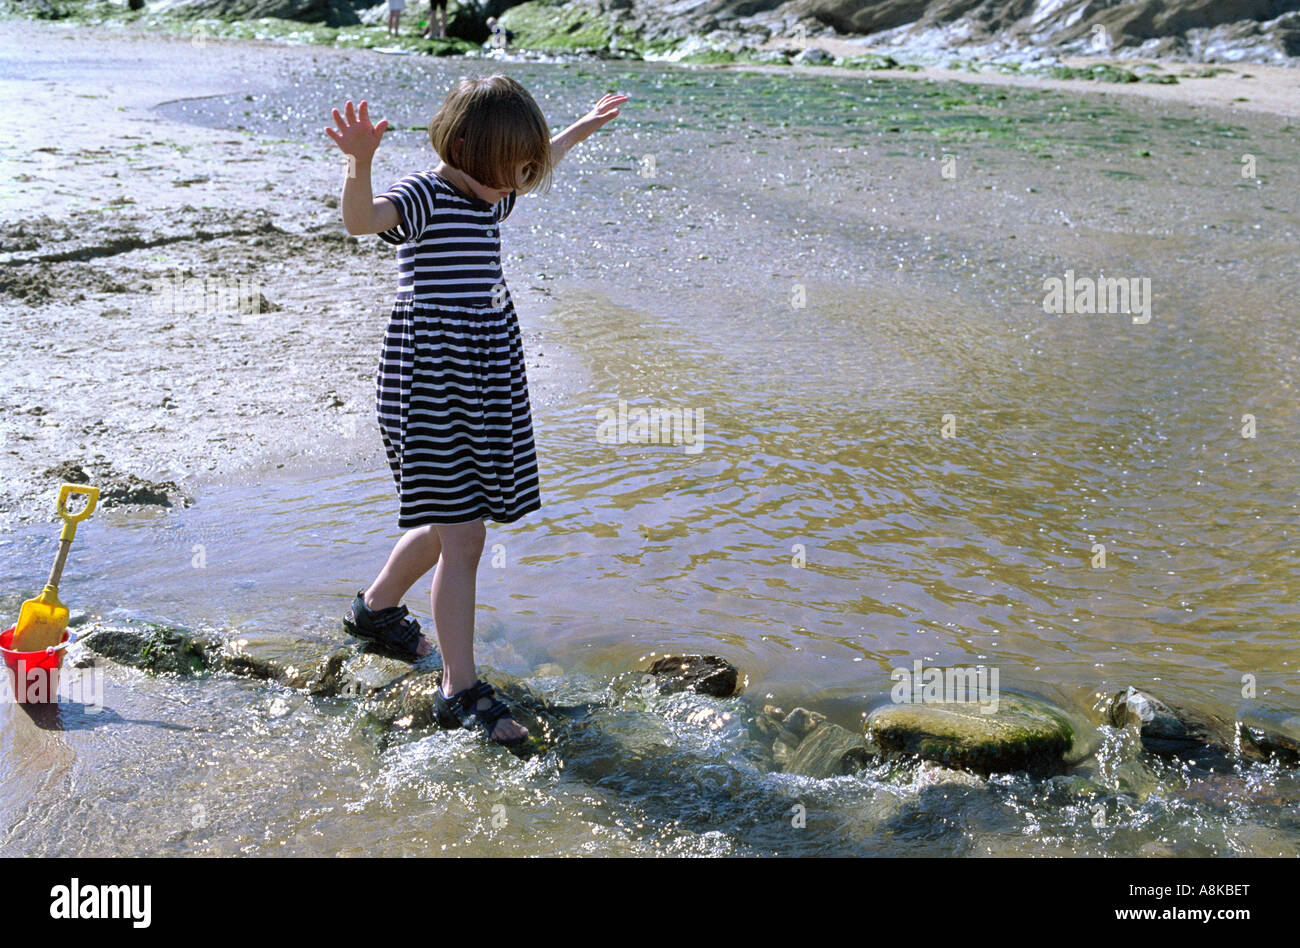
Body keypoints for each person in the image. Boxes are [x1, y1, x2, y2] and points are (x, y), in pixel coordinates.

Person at [324, 80, 628, 745]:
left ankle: (374, 611)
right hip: (431, 382)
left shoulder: (490, 193)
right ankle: (458, 689)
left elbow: (543, 152)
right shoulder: (425, 196)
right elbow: (360, 220)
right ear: (465, 149)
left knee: (454, 519)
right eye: (511, 172)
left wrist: (582, 125)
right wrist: (359, 160)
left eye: (525, 172)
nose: (519, 185)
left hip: (484, 380)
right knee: (465, 536)